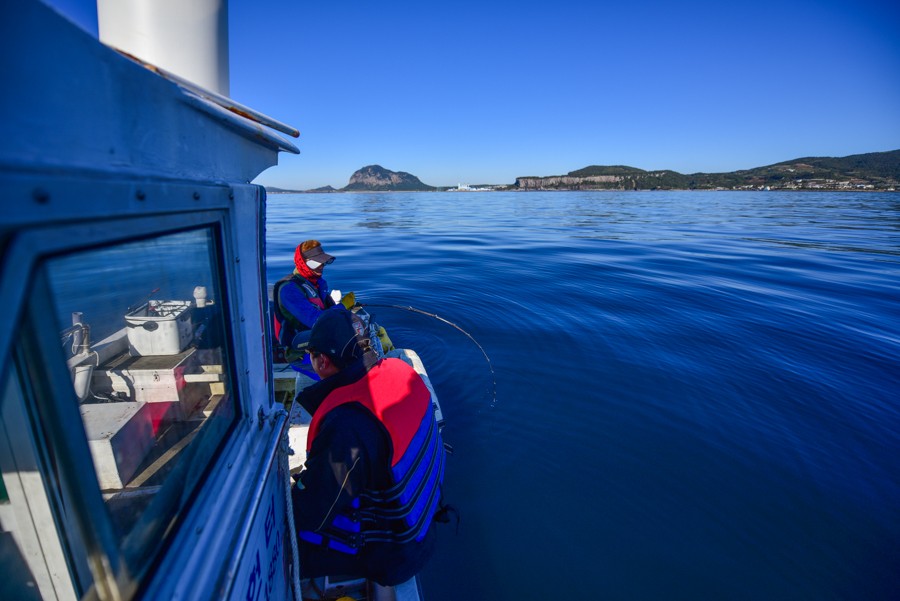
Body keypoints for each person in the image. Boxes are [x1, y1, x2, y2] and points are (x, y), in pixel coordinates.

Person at [291, 306, 446, 587]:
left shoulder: (348, 426)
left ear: (323, 362)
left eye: (311, 355)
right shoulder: (401, 371)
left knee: (288, 546)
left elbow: (309, 515)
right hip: (424, 527)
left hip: (396, 555)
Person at [272, 239, 337, 351]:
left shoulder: (317, 283)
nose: (321, 266)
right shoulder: (289, 289)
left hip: (321, 339)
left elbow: (329, 309)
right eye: (316, 262)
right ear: (303, 262)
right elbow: (315, 321)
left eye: (323, 262)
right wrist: (341, 311)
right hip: (301, 351)